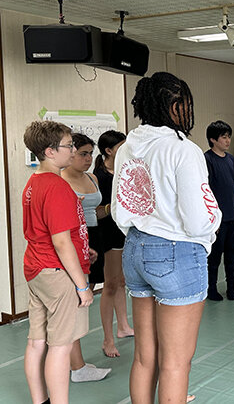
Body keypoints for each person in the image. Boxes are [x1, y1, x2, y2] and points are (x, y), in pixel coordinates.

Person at [112, 72, 222, 403]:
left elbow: (121, 207)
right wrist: (214, 222)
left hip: (135, 246)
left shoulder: (126, 148)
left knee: (145, 356)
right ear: (174, 106)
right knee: (176, 363)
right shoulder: (182, 149)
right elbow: (197, 219)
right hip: (177, 253)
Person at [22, 120, 94, 404]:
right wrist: (82, 287)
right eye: (69, 146)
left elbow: (49, 231)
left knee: (36, 341)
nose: (73, 150)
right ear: (50, 151)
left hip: (37, 269)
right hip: (57, 272)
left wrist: (83, 249)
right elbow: (61, 242)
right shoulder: (57, 186)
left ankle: (40, 400)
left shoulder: (34, 182)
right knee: (61, 346)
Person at [61, 133, 112, 381]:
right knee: (74, 305)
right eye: (83, 153)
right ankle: (77, 367)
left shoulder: (92, 178)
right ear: (70, 154)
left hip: (94, 237)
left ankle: (75, 362)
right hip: (74, 239)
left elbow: (95, 212)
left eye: (91, 153)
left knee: (84, 302)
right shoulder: (61, 180)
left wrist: (113, 208)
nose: (88, 159)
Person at [93, 130, 134, 358]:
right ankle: (107, 339)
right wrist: (115, 206)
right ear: (108, 151)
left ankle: (123, 326)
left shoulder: (123, 170)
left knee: (121, 282)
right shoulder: (99, 176)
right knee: (109, 285)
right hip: (108, 235)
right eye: (121, 146)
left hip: (123, 232)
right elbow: (97, 211)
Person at [205, 120, 234, 301]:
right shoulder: (207, 160)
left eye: (229, 136)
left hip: (232, 216)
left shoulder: (230, 159)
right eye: (224, 137)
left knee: (232, 255)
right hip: (217, 218)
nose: (228, 140)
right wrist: (211, 218)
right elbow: (205, 190)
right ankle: (211, 288)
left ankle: (231, 287)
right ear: (213, 139)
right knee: (214, 256)